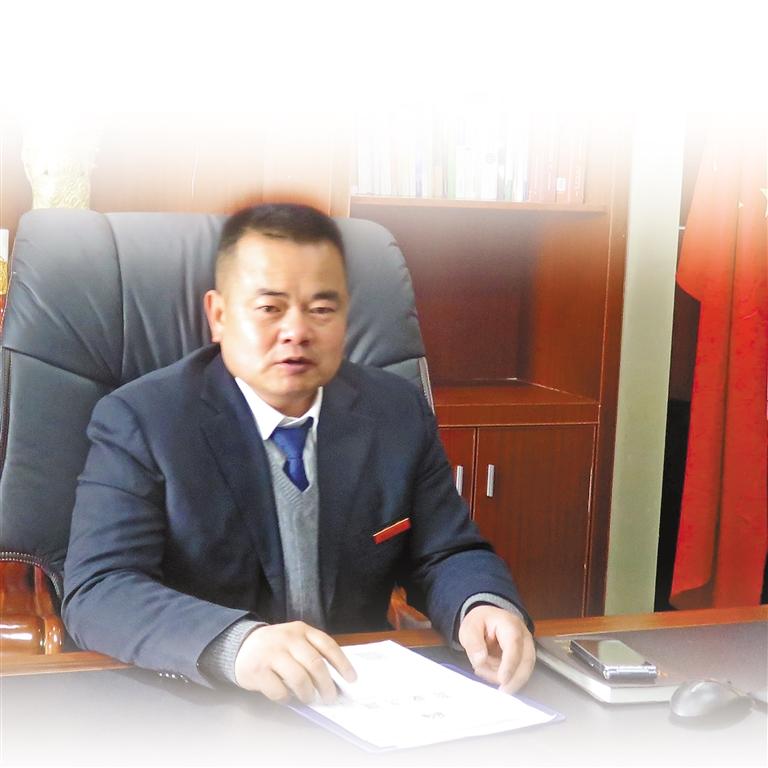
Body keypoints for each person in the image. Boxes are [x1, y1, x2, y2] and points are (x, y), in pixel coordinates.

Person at [63, 203, 536, 705]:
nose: (297, 331)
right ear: (219, 316)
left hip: (359, 696)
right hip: (207, 699)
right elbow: (99, 589)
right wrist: (237, 644)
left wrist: (481, 605)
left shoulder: (395, 412)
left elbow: (446, 552)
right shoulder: (142, 420)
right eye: (270, 308)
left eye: (321, 309)